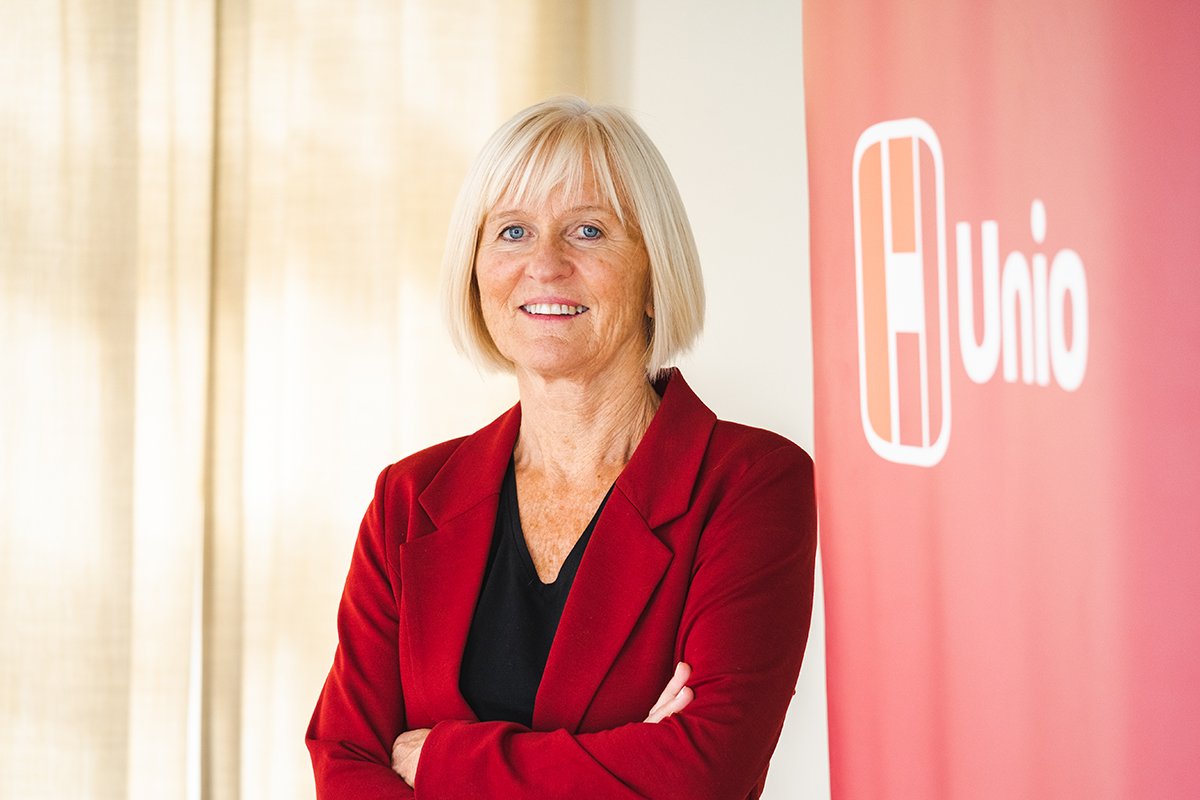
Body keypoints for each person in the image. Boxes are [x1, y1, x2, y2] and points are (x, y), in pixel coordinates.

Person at [306, 96, 817, 799]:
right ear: (475, 271)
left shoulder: (750, 485)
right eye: (512, 231)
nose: (544, 264)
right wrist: (620, 759)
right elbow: (344, 762)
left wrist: (440, 762)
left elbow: (703, 774)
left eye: (588, 230)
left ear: (653, 274)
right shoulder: (408, 498)